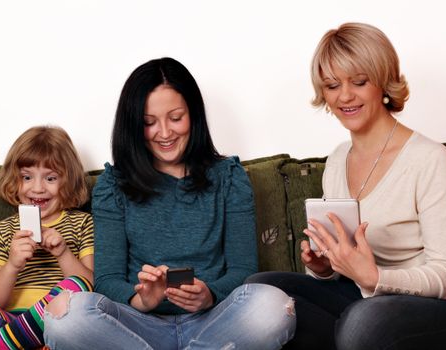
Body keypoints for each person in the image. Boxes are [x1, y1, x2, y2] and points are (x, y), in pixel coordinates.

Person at [43, 57, 295, 350]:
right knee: (63, 313)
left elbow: (243, 271)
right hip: (138, 327)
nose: (164, 133)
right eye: (149, 123)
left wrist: (209, 295)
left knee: (273, 304)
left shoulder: (229, 177)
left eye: (175, 118)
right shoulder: (114, 185)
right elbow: (107, 280)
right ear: (134, 125)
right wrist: (143, 299)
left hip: (214, 321)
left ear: (194, 115)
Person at [246, 22, 446, 349]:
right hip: (365, 299)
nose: (345, 96)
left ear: (382, 82)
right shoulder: (337, 161)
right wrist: (323, 268)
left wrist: (376, 278)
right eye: (333, 85)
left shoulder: (430, 160)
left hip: (445, 307)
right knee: (261, 291)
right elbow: (345, 271)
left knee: (362, 323)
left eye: (359, 82)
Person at [0, 125, 94, 349]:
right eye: (27, 177)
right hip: (3, 322)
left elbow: (92, 287)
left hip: (55, 321)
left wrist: (64, 254)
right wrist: (12, 265)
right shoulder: (2, 230)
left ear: (69, 181)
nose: (37, 188)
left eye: (50, 178)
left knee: (76, 285)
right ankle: (17, 340)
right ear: (15, 181)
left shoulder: (82, 223)